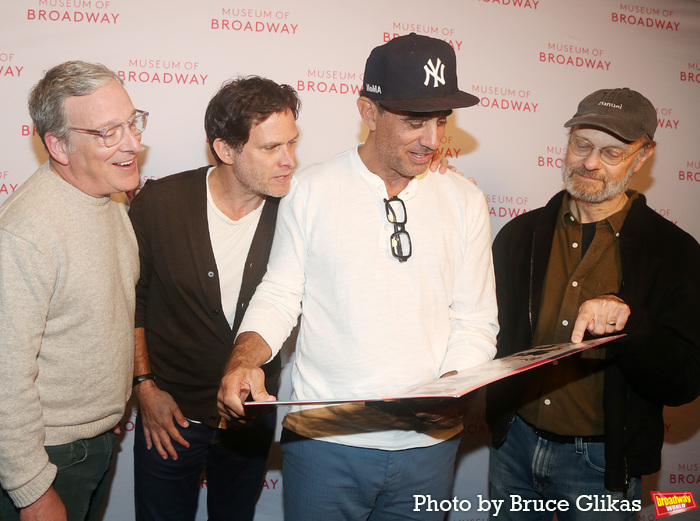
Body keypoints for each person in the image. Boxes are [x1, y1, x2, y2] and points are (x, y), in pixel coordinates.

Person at [217, 33, 499, 521]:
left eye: (439, 121)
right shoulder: (309, 190)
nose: (431, 139)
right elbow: (281, 294)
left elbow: (475, 320)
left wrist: (453, 386)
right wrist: (244, 360)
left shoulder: (465, 201)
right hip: (325, 441)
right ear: (368, 112)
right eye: (414, 122)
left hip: (428, 449)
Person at [486, 87, 700, 520]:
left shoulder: (675, 253)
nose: (590, 162)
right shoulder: (518, 236)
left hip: (602, 464)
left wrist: (632, 326)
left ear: (643, 157)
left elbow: (683, 382)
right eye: (581, 144)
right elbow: (488, 336)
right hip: (514, 444)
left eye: (612, 152)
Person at [127, 76, 300, 521]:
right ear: (225, 150)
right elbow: (132, 304)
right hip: (170, 416)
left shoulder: (298, 211)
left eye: (292, 144)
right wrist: (145, 388)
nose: (289, 162)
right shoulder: (160, 203)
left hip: (250, 419)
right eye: (270, 148)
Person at [0, 61, 145, 521]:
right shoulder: (25, 234)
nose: (133, 144)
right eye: (107, 132)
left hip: (96, 443)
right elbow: (5, 378)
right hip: (49, 458)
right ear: (58, 145)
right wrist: (32, 490)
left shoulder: (108, 197)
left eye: (131, 122)